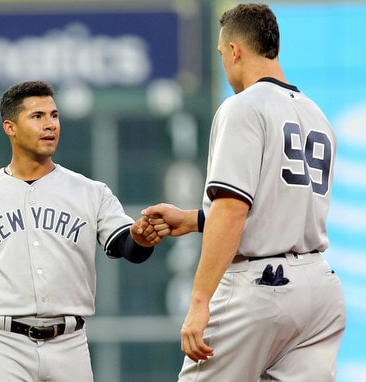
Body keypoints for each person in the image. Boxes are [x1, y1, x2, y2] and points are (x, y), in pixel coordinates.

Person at [141, 4, 346, 381]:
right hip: (320, 289)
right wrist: (192, 220)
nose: (223, 62)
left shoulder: (243, 108)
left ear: (235, 51)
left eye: (222, 54)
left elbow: (233, 208)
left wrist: (200, 301)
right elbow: (275, 207)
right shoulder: (317, 115)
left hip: (262, 285)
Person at [0, 80, 161, 382]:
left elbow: (126, 247)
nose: (50, 125)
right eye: (37, 116)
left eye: (54, 116)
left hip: (69, 342)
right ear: (10, 127)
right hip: (2, 345)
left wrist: (140, 237)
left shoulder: (89, 192)